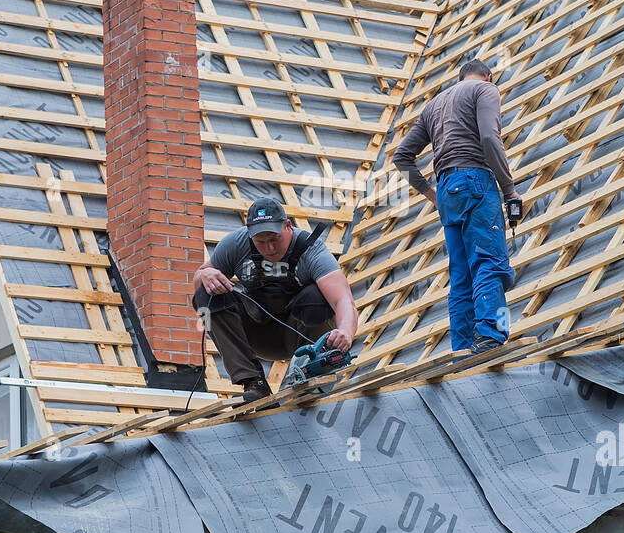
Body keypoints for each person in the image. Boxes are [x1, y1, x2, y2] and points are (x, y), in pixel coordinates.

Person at [393, 58, 521, 355]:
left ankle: (463, 348)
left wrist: (432, 195)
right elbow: (490, 137)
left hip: (448, 190)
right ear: (488, 76)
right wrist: (510, 190)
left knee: (461, 274)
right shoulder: (485, 90)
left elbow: (402, 157)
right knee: (489, 262)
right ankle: (490, 335)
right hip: (476, 179)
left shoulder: (433, 106)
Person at [191, 197, 358, 397]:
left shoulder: (311, 250)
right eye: (261, 242)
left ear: (288, 226)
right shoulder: (235, 244)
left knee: (316, 295)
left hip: (301, 336)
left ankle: (312, 373)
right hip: (257, 333)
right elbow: (199, 280)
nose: (269, 248)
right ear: (249, 234)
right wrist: (203, 274)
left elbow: (343, 300)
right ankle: (254, 382)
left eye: (274, 239)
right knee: (206, 295)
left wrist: (346, 332)